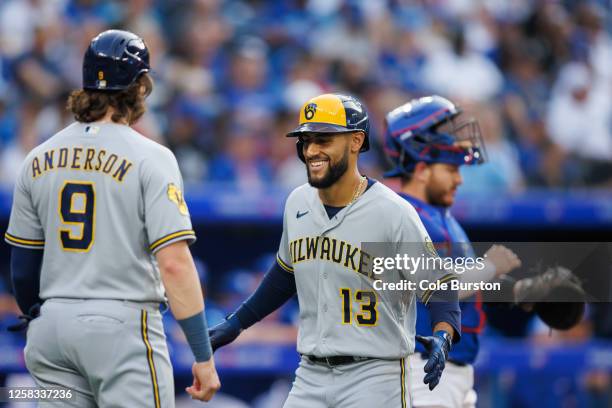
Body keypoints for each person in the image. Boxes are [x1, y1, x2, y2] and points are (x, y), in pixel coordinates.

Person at [4, 30, 220, 406]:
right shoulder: (152, 156)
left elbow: (22, 268)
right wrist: (203, 355)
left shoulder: (37, 157)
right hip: (121, 326)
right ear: (139, 87)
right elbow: (174, 265)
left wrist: (42, 314)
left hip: (51, 329)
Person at [209, 93, 461, 407]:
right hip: (310, 373)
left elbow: (439, 286)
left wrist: (444, 336)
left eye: (324, 140)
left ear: (356, 141)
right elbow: (285, 274)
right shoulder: (297, 202)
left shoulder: (392, 211)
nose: (312, 150)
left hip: (374, 374)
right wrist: (236, 323)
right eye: (306, 140)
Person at [383, 95, 585, 407]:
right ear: (422, 169)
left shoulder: (438, 217)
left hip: (448, 374)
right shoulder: (402, 215)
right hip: (418, 371)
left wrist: (518, 290)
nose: (459, 179)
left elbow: (463, 284)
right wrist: (489, 267)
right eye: (449, 170)